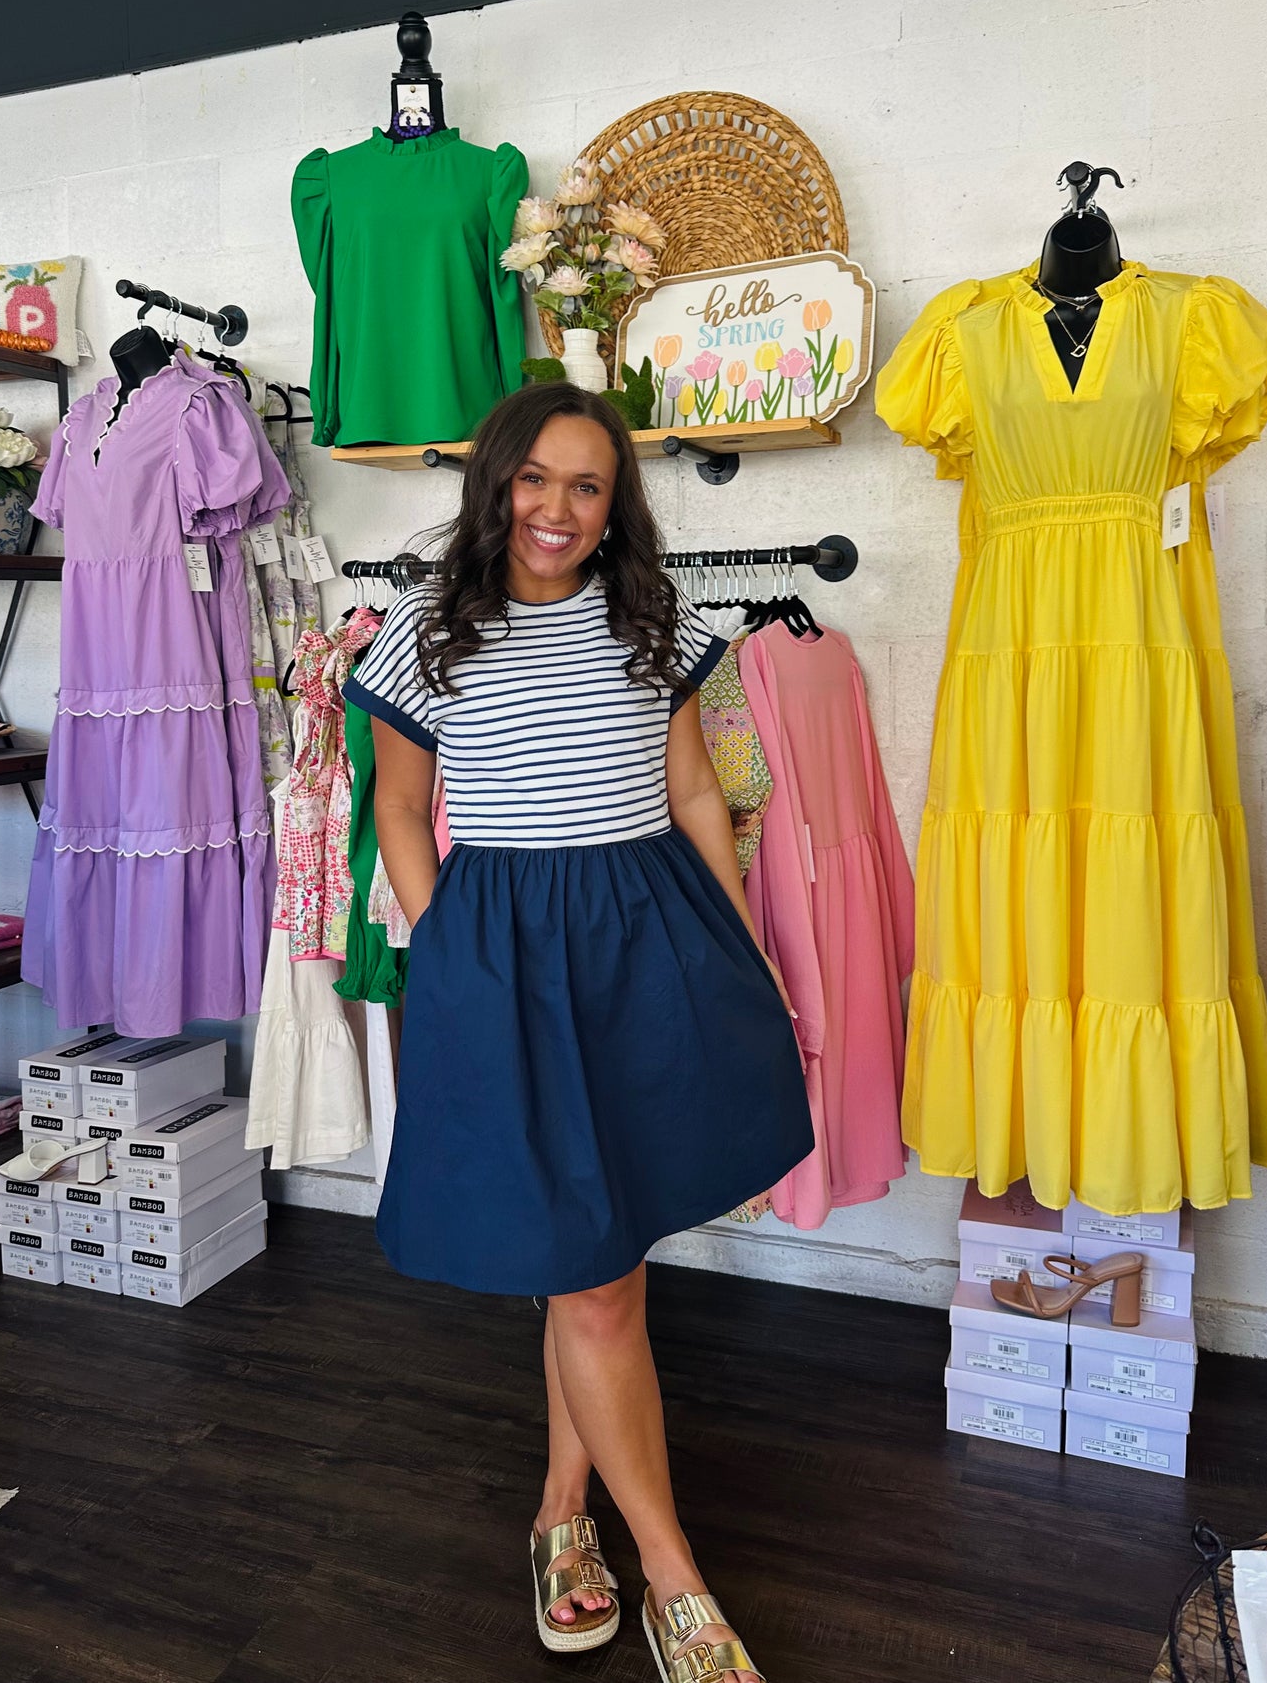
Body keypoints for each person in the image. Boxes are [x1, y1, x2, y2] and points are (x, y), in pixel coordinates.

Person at [347, 382, 814, 1683]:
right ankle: (671, 1572)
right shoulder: (421, 638)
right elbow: (398, 809)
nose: (556, 508)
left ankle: (562, 1516)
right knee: (593, 1270)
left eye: (587, 486)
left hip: (644, 935)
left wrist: (741, 949)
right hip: (503, 950)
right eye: (534, 479)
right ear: (494, 483)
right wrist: (445, 949)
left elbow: (692, 791)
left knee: (596, 1252)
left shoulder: (651, 619)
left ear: (617, 509)